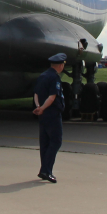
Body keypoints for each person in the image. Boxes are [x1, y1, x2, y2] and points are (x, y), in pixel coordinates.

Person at [33, 53, 66, 183]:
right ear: (60, 65)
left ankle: (44, 169)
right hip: (52, 114)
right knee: (56, 141)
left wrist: (38, 107)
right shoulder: (54, 78)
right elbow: (52, 97)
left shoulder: (42, 76)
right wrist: (43, 108)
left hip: (42, 115)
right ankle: (46, 170)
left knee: (45, 143)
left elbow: (36, 93)